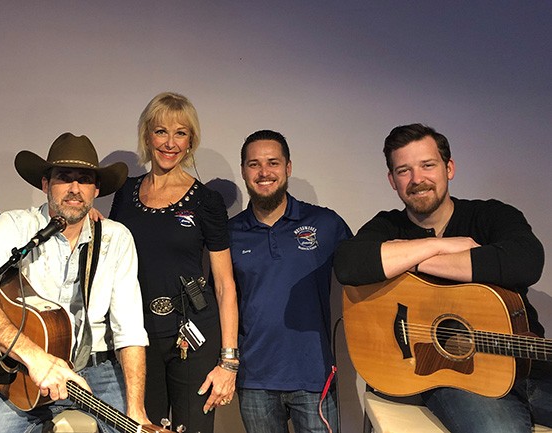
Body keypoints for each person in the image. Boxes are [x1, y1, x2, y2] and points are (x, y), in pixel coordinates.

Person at [334, 123, 552, 433]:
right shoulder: (387, 225)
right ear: (392, 180)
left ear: (448, 168)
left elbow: (526, 261)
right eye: (403, 171)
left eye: (427, 165)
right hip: (458, 378)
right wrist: (440, 245)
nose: (417, 179)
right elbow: (349, 265)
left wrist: (413, 261)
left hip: (531, 367)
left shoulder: (491, 215)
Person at [0, 132, 150, 432]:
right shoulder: (16, 226)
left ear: (95, 190)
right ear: (46, 184)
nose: (74, 188)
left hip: (98, 370)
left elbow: (129, 329)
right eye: (64, 177)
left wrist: (137, 409)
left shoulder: (115, 238)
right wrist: (35, 358)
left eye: (83, 179)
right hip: (29, 370)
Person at [108, 91, 238, 433]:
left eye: (180, 133)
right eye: (161, 131)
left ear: (190, 140)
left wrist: (229, 360)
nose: (170, 142)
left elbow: (224, 285)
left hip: (192, 335)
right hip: (138, 335)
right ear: (147, 135)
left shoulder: (207, 201)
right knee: (142, 427)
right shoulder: (124, 194)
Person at [228, 130, 350, 433]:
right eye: (254, 164)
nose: (264, 172)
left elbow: (363, 275)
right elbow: (221, 300)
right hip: (255, 379)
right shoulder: (229, 233)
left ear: (288, 168)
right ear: (243, 170)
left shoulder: (325, 223)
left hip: (314, 375)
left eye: (273, 163)